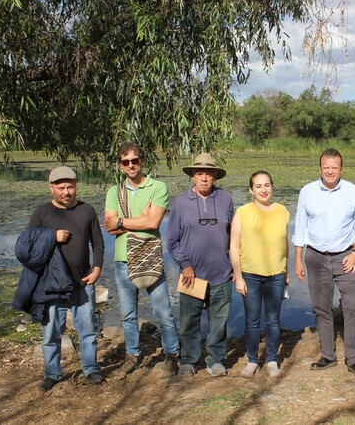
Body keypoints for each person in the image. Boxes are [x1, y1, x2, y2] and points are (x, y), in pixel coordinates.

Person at [104, 142, 179, 380]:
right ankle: (132, 356)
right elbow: (109, 226)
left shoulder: (158, 187)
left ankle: (171, 355)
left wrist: (122, 221)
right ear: (120, 165)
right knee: (128, 314)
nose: (131, 165)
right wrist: (137, 219)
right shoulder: (113, 192)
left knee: (163, 311)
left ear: (141, 161)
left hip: (150, 258)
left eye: (134, 161)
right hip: (122, 260)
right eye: (125, 162)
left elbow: (153, 223)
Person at [293, 149, 355, 378]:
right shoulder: (307, 192)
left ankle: (354, 358)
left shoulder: (354, 192)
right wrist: (298, 260)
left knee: (352, 306)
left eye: (334, 167)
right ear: (320, 168)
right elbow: (300, 228)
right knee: (321, 308)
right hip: (315, 257)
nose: (330, 171)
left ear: (341, 169)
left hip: (346, 256)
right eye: (326, 167)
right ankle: (328, 355)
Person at [26, 166, 104, 391]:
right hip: (52, 285)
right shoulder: (42, 213)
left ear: (76, 186)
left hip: (83, 282)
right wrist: (52, 236)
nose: (67, 192)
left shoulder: (87, 210)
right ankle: (52, 373)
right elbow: (28, 243)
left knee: (88, 328)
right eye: (61, 188)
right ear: (51, 188)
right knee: (51, 332)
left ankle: (91, 369)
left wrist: (97, 269)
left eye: (70, 187)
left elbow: (97, 242)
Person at [166, 153, 235, 377]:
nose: (204, 178)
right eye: (199, 173)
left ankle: (216, 359)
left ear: (215, 176)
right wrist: (185, 264)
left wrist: (236, 266)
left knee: (219, 321)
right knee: (189, 321)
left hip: (222, 274)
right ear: (192, 177)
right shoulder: (181, 202)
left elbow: (235, 236)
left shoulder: (226, 199)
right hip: (191, 276)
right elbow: (172, 241)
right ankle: (188, 360)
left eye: (208, 173)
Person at [230, 171, 290, 378]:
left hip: (276, 274)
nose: (263, 190)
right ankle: (253, 360)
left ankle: (272, 359)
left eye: (267, 185)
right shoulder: (242, 213)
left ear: (272, 187)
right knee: (252, 320)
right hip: (250, 275)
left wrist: (286, 271)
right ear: (251, 190)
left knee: (273, 320)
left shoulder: (282, 211)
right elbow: (233, 246)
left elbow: (284, 244)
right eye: (258, 186)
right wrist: (238, 277)